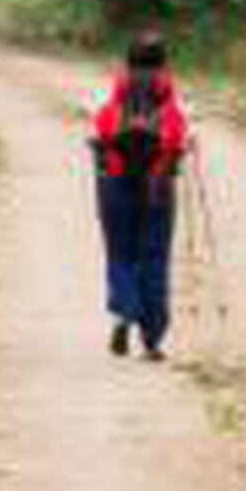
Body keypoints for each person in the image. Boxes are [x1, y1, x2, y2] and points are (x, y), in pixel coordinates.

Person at [90, 31, 191, 360]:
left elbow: (101, 138)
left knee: (121, 253)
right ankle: (152, 338)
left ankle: (125, 309)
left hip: (115, 187)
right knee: (155, 258)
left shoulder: (113, 106)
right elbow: (177, 142)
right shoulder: (170, 109)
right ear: (164, 66)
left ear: (127, 64)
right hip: (157, 190)